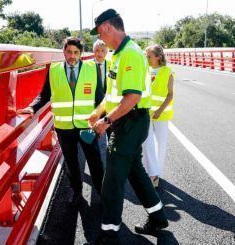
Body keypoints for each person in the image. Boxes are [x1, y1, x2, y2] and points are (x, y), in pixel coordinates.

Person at [87, 9, 168, 243]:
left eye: (100, 34)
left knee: (112, 179)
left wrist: (106, 121)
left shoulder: (130, 54)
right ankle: (158, 216)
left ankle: (109, 233)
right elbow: (112, 94)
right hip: (126, 121)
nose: (100, 39)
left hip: (130, 121)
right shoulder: (116, 55)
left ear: (107, 29)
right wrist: (98, 111)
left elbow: (131, 98)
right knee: (135, 170)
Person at [17, 37, 104, 205]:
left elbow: (100, 99)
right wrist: (32, 108)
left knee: (95, 161)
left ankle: (102, 193)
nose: (72, 56)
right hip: (64, 127)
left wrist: (100, 123)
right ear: (64, 51)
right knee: (71, 163)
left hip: (86, 125)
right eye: (69, 52)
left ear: (81, 53)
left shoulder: (92, 70)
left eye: (76, 52)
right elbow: (44, 94)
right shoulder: (54, 70)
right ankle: (76, 192)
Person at [143, 44, 174, 188]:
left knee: (160, 144)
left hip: (162, 114)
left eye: (149, 56)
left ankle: (158, 172)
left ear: (158, 57)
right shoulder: (145, 70)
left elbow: (170, 94)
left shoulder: (168, 72)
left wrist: (160, 110)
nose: (147, 58)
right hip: (146, 113)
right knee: (147, 143)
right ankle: (152, 174)